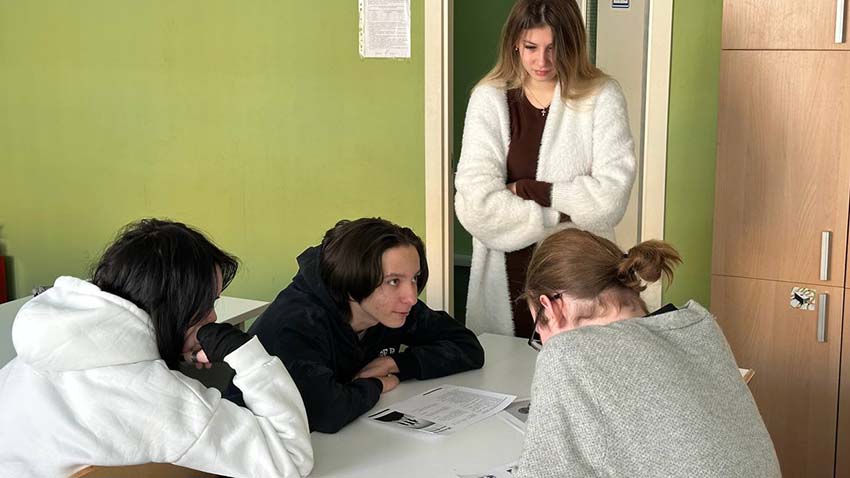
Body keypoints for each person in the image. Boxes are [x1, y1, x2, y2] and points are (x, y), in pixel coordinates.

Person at [0, 219, 313, 478]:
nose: (213, 318)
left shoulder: (40, 347)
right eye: (207, 303)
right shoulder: (161, 399)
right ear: (175, 307)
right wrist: (244, 353)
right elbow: (290, 459)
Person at [513, 228, 781, 477]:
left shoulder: (567, 354)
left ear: (551, 307)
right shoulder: (699, 326)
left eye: (538, 330)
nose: (544, 342)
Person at [454, 0, 636, 338]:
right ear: (515, 43)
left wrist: (527, 190)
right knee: (502, 366)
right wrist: (559, 215)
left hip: (579, 277)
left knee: (578, 364)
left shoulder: (602, 95)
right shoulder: (488, 98)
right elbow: (476, 206)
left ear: (573, 45)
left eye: (554, 48)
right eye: (531, 48)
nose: (542, 61)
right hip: (503, 280)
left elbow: (610, 200)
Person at [241, 218, 485, 433]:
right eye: (393, 281)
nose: (411, 297)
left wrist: (397, 363)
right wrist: (376, 384)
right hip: (265, 451)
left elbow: (468, 346)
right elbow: (325, 412)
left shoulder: (390, 307)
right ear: (352, 280)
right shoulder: (296, 322)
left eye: (414, 278)